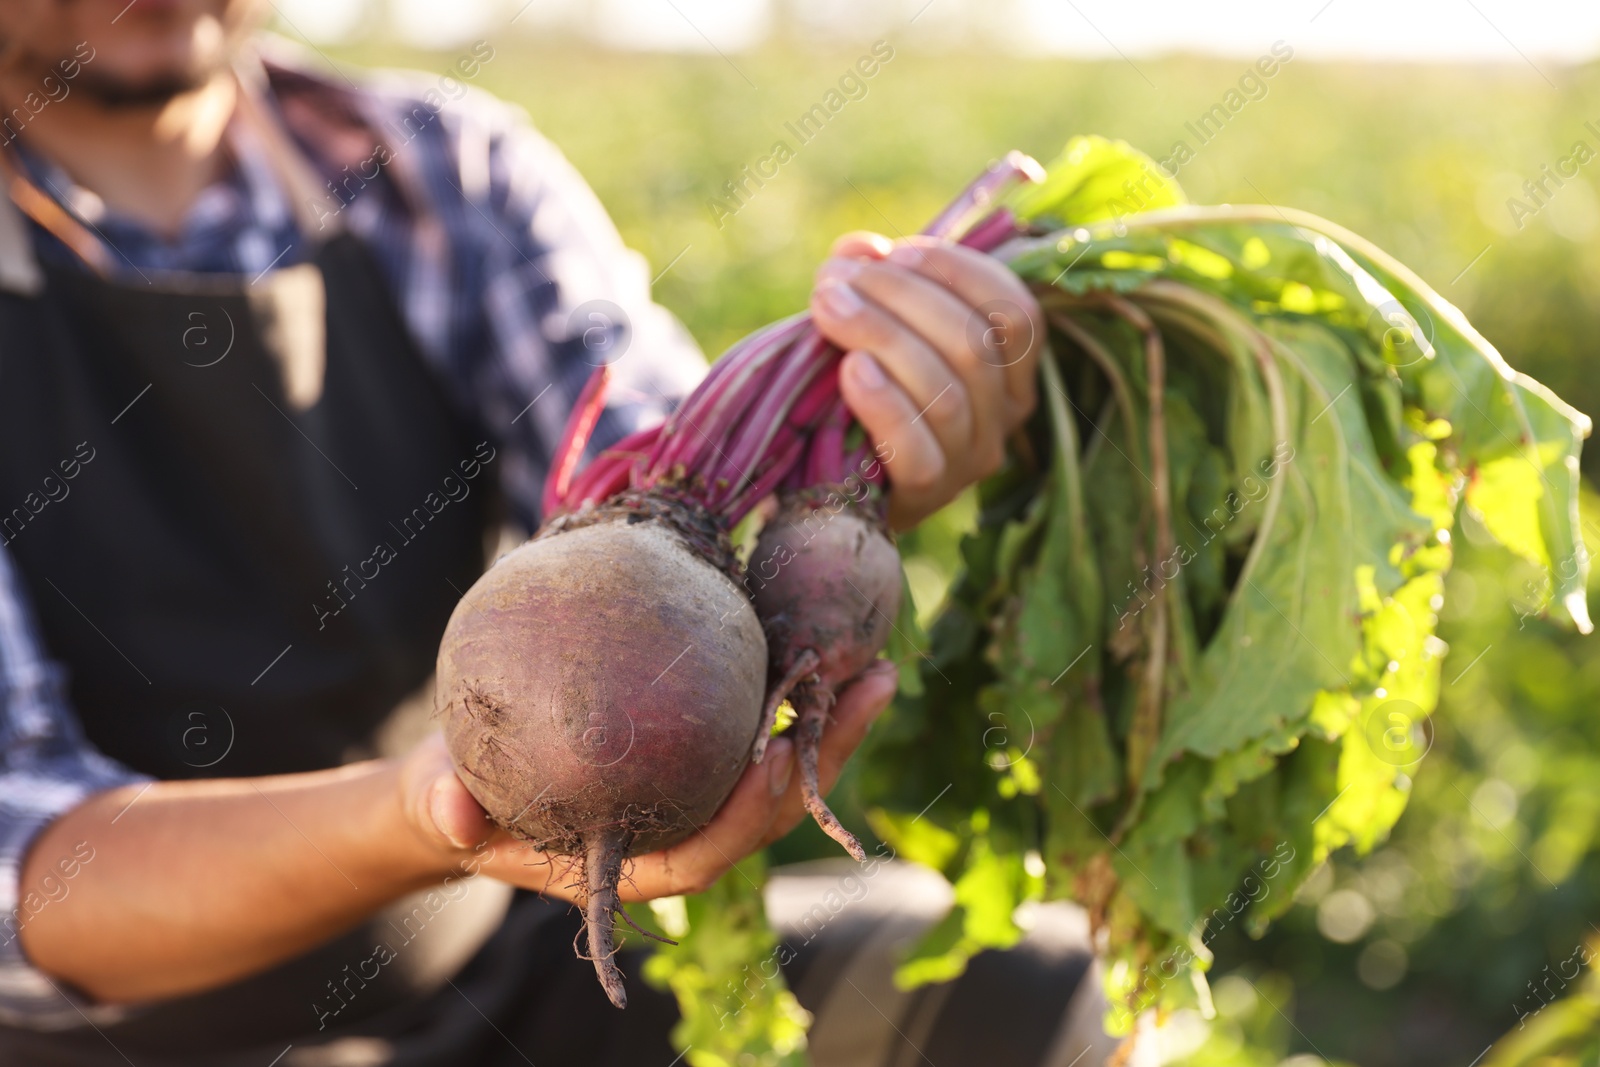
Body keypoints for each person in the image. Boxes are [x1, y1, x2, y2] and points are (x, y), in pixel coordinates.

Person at [0, 1, 1060, 1063]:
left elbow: (678, 495)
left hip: (495, 979)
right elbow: (23, 875)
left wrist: (864, 458)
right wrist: (420, 816)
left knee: (1037, 998)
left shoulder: (438, 171)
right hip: (103, 1043)